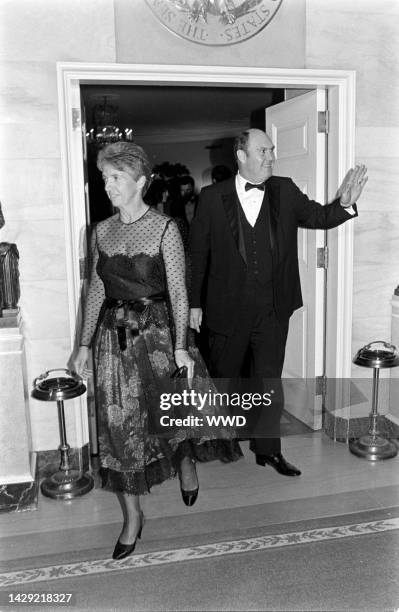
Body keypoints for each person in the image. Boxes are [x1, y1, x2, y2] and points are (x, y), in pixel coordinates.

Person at [70, 142, 241, 561]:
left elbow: (180, 292)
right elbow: (95, 292)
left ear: (140, 181)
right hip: (115, 342)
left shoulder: (165, 228)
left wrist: (182, 347)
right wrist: (82, 344)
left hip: (160, 336)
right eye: (104, 177)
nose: (107, 185)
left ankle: (185, 462)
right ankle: (132, 517)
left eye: (115, 177)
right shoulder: (100, 232)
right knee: (118, 428)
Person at [189, 128, 368, 477]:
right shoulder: (212, 197)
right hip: (227, 308)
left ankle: (268, 450)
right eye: (263, 151)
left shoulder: (284, 190)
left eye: (272, 150)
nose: (271, 156)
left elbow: (318, 217)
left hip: (273, 308)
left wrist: (344, 204)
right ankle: (212, 441)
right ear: (242, 156)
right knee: (223, 379)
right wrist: (194, 303)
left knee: (269, 382)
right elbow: (198, 255)